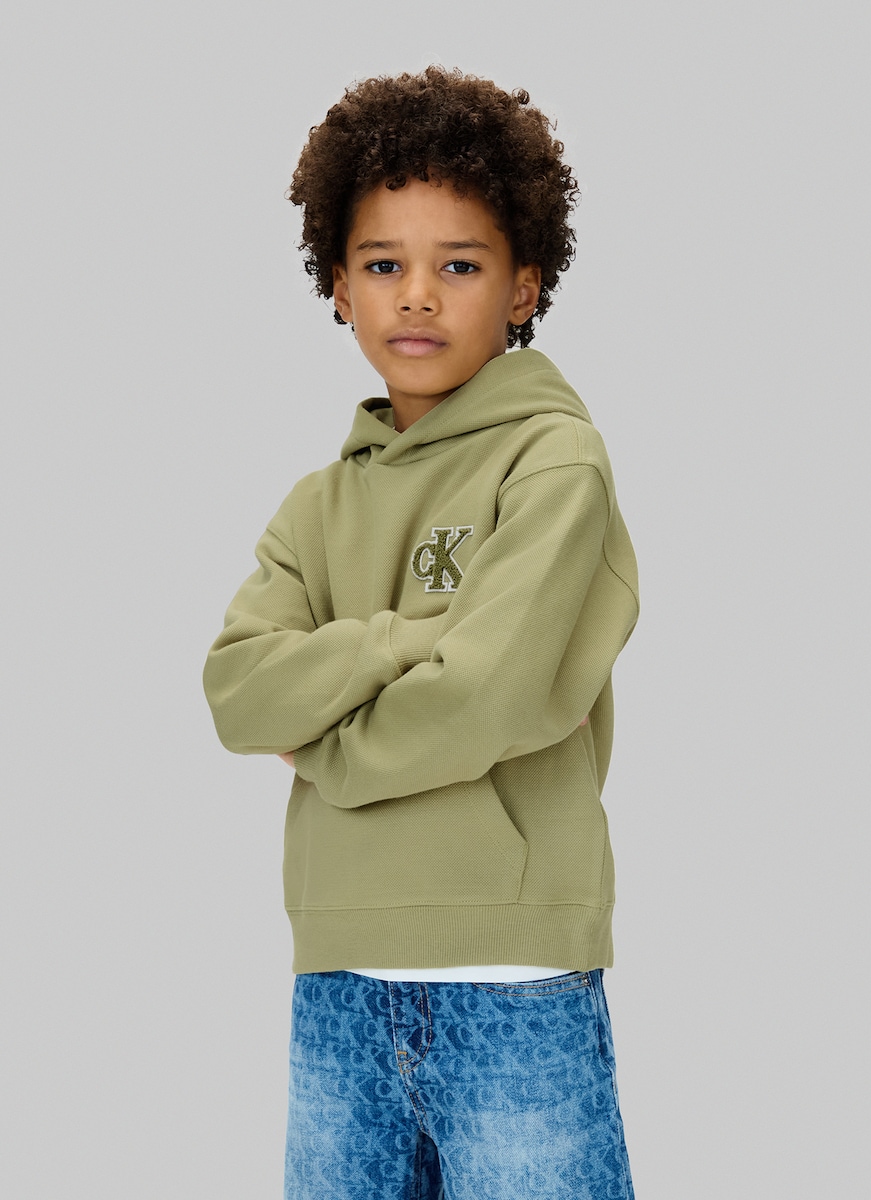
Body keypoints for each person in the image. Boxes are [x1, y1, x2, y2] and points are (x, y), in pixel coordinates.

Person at [203, 66, 640, 1200]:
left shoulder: (553, 462)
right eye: (384, 265)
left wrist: (328, 746)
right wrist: (406, 639)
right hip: (337, 974)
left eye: (460, 265)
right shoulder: (316, 506)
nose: (418, 298)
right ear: (338, 288)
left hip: (515, 980)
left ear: (524, 285)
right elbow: (238, 693)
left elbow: (486, 694)